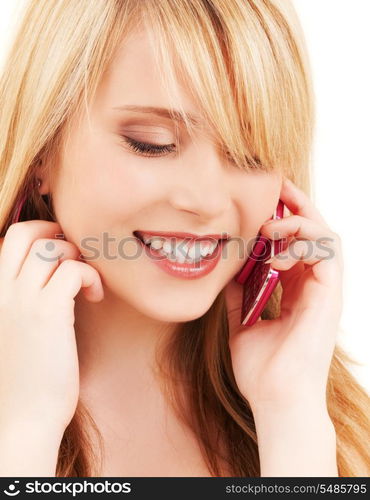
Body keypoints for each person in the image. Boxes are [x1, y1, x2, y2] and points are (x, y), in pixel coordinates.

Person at [0, 0, 369, 477]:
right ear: (41, 152)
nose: (209, 201)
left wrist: (290, 413)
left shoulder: (326, 413)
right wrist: (25, 427)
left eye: (251, 153)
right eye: (153, 143)